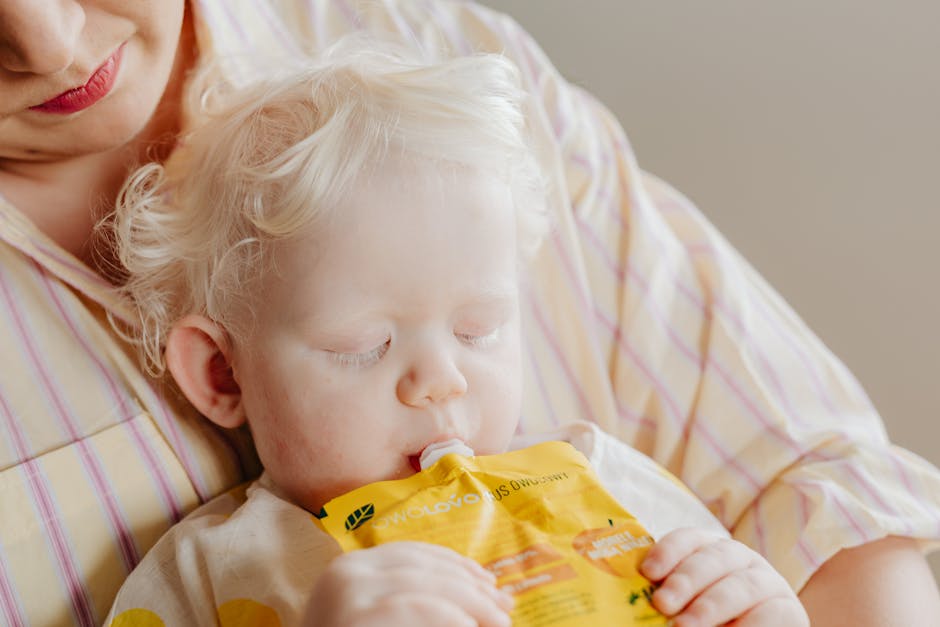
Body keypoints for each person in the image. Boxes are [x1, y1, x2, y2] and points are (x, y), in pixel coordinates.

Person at [0, 1, 937, 625]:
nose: (443, 378)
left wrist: (759, 605)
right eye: (365, 346)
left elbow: (804, 488)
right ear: (220, 372)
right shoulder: (210, 570)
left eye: (482, 329)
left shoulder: (600, 476)